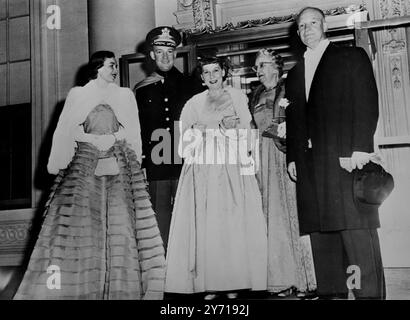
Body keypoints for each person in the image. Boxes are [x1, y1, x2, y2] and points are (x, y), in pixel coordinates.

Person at [14, 51, 165, 300]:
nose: (115, 70)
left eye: (116, 66)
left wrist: (117, 141)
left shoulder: (125, 95)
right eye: (111, 66)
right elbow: (66, 129)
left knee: (123, 230)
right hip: (84, 169)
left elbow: (134, 131)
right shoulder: (80, 94)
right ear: (98, 68)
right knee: (78, 230)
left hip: (119, 167)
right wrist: (92, 139)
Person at [285, 7, 385, 299]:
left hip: (346, 163)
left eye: (313, 23)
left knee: (356, 239)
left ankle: (366, 296)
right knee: (323, 237)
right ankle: (333, 295)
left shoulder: (350, 57)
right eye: (302, 26)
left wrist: (360, 148)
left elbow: (367, 102)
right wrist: (292, 156)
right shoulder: (295, 73)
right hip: (311, 168)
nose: (307, 29)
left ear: (325, 25)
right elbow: (294, 120)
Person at [165, 56, 267, 299]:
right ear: (201, 77)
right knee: (207, 226)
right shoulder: (193, 103)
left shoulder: (237, 97)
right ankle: (209, 283)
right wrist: (194, 133)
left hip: (231, 168)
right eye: (206, 72)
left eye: (216, 71)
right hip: (203, 170)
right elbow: (181, 146)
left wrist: (231, 129)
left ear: (224, 72)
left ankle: (234, 282)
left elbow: (249, 131)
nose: (212, 76)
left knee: (231, 224)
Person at [249, 49, 316, 297]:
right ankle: (282, 279)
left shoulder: (289, 88)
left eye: (263, 65)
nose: (259, 71)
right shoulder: (255, 94)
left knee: (294, 214)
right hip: (263, 159)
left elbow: (301, 120)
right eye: (257, 67)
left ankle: (307, 280)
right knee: (272, 216)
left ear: (276, 67)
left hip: (285, 156)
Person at [134, 26, 194, 251]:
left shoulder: (191, 85)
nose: (165, 56)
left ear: (176, 54)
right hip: (157, 163)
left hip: (184, 161)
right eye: (160, 52)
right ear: (152, 55)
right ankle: (164, 271)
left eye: (169, 51)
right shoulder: (142, 90)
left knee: (188, 215)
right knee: (160, 220)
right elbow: (140, 129)